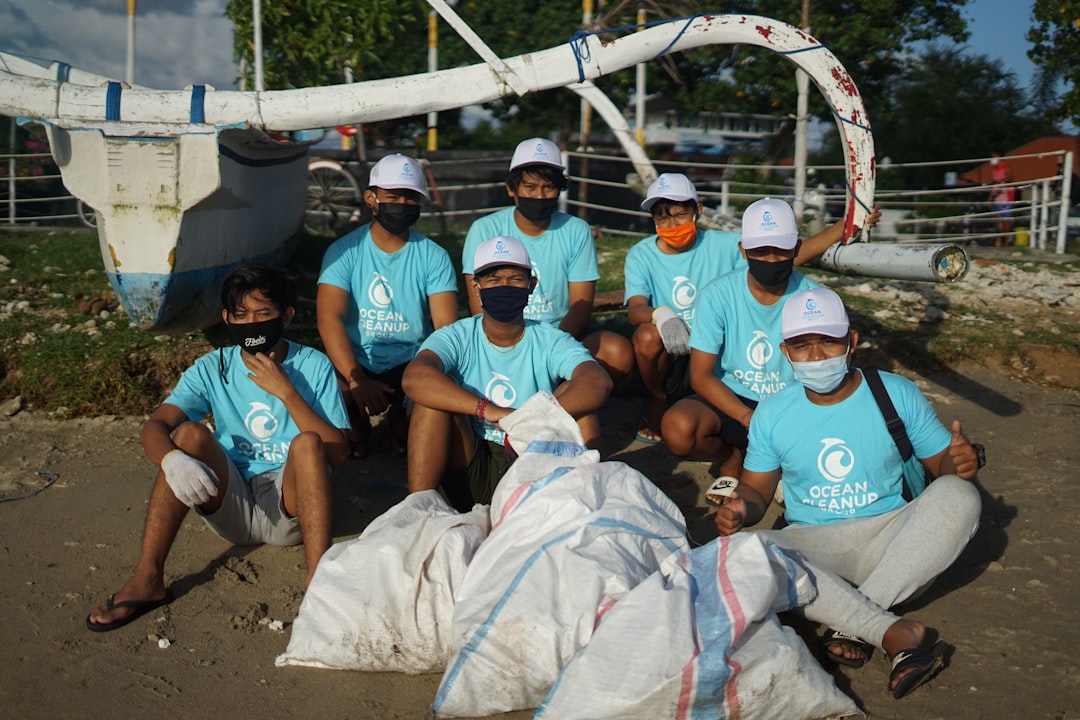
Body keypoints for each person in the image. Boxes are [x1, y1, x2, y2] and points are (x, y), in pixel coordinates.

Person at [713, 286, 982, 671]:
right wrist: (741, 509)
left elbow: (943, 465)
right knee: (739, 552)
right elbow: (756, 489)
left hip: (896, 544)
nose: (816, 355)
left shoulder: (895, 392)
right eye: (802, 346)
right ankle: (888, 629)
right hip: (815, 546)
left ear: (851, 341)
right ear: (785, 351)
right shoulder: (772, 414)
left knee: (960, 496)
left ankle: (857, 619)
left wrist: (960, 464)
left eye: (828, 342)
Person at [86, 265, 351, 632]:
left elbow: (338, 454)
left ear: (286, 316)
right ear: (226, 319)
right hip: (232, 505)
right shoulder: (214, 367)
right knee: (189, 435)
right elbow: (155, 426)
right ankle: (148, 578)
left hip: (292, 508)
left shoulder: (313, 365)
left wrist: (286, 391)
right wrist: (172, 460)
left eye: (264, 314)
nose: (252, 324)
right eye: (241, 316)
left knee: (307, 443)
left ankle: (318, 582)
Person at [625, 174, 878, 445]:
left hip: (724, 348)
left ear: (697, 211)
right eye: (662, 218)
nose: (672, 224)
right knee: (648, 337)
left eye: (679, 214)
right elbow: (635, 307)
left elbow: (774, 257)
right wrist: (661, 314)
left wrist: (844, 226)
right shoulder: (643, 254)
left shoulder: (723, 245)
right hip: (681, 347)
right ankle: (657, 399)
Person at [403, 235, 613, 511]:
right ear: (476, 286)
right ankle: (417, 507)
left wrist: (529, 417)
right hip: (471, 461)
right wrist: (487, 410)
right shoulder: (457, 336)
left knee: (581, 408)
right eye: (493, 280)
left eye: (515, 279)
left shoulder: (550, 339)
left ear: (531, 285)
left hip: (532, 460)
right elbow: (415, 377)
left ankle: (589, 500)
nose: (504, 287)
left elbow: (597, 382)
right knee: (431, 403)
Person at [659, 197, 820, 481]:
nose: (770, 259)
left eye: (780, 249)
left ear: (796, 248)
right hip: (734, 400)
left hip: (794, 403)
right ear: (743, 250)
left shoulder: (815, 299)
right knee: (678, 427)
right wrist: (747, 417)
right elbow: (700, 375)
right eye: (760, 250)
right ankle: (731, 456)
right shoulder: (717, 294)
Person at [460, 137, 634, 386]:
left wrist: (549, 347)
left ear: (559, 189)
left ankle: (564, 399)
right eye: (530, 187)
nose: (539, 196)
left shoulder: (576, 230)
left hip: (559, 335)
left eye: (548, 187)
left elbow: (580, 306)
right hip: (499, 334)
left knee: (617, 351)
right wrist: (508, 346)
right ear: (512, 189)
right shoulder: (485, 229)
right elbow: (477, 300)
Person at [317, 153, 458, 457]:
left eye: (411, 198)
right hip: (355, 361)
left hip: (412, 361)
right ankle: (360, 426)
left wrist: (423, 375)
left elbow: (446, 329)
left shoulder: (434, 256)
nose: (403, 205)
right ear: (371, 198)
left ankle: (400, 417)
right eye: (394, 196)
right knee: (337, 421)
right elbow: (329, 319)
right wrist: (356, 379)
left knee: (418, 431)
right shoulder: (343, 252)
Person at [989, 148, 1015, 247]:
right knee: (999, 219)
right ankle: (1000, 239)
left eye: (993, 157)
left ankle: (1006, 240)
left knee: (1006, 219)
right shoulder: (994, 170)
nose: (992, 159)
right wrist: (991, 196)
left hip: (1006, 196)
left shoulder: (1006, 166)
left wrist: (1001, 181)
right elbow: (994, 184)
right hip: (997, 196)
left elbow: (1010, 178)